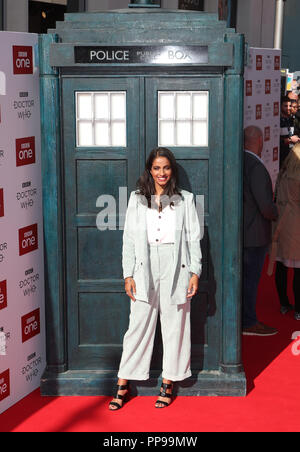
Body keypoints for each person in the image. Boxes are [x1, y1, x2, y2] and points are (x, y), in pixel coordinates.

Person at [108, 147, 202, 410]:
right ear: (149, 170)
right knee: (137, 327)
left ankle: (168, 381)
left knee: (175, 327)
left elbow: (193, 239)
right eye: (157, 168)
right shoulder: (137, 199)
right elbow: (128, 239)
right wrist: (128, 274)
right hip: (144, 267)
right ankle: (122, 382)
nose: (162, 173)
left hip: (177, 266)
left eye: (166, 167)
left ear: (172, 170)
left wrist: (195, 272)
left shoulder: (186, 199)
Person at [243, 126, 278, 336]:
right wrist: (276, 211)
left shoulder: (241, 162)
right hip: (254, 235)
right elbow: (265, 205)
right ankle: (248, 321)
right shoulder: (255, 166)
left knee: (245, 279)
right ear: (260, 141)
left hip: (245, 232)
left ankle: (244, 319)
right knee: (250, 281)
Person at [268, 144, 300, 320]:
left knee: (281, 266)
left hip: (281, 223)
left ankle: (284, 304)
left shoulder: (283, 173)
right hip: (296, 225)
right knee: (298, 270)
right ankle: (299, 309)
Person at [280, 96, 300, 168]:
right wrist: (290, 140)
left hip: (291, 158)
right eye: (285, 106)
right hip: (280, 159)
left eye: (290, 106)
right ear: (280, 106)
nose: (288, 108)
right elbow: (276, 142)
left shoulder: (292, 120)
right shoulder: (277, 121)